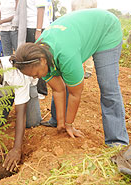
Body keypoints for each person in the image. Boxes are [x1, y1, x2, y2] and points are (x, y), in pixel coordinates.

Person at [10, 9, 129, 146]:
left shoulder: (66, 56)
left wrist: (69, 124)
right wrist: (61, 123)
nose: (36, 78)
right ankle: (56, 121)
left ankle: (117, 140)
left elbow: (74, 94)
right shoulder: (38, 52)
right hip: (77, 33)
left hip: (106, 29)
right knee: (58, 78)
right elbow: (58, 89)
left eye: (36, 74)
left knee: (108, 86)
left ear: (43, 60)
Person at [0, 52, 42, 171]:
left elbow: (20, 112)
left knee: (32, 122)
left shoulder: (16, 71)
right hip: (2, 95)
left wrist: (17, 149)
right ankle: (7, 103)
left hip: (25, 88)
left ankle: (24, 98)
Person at [71, 0, 97, 79]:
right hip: (77, 25)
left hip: (88, 26)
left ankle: (89, 70)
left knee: (88, 47)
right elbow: (72, 13)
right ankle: (78, 69)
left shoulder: (92, 1)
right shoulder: (74, 1)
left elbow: (94, 13)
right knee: (77, 47)